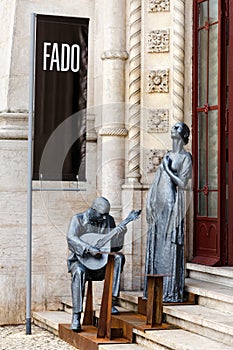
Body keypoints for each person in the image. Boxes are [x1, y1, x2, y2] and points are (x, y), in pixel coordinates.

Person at [143, 122, 192, 302]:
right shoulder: (167, 155)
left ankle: (170, 291)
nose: (173, 129)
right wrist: (149, 202)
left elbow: (183, 183)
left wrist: (168, 169)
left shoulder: (186, 158)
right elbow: (156, 183)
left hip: (173, 205)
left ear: (184, 134)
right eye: (173, 127)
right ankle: (154, 290)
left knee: (170, 246)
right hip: (159, 204)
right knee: (157, 244)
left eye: (177, 127)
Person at [67, 196, 126, 332]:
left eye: (107, 215)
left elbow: (115, 248)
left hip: (102, 265)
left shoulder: (109, 220)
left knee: (118, 258)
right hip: (81, 263)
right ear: (93, 210)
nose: (105, 218)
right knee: (78, 272)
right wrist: (88, 248)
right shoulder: (78, 219)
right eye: (102, 214)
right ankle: (76, 316)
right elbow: (71, 238)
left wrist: (121, 235)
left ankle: (111, 301)